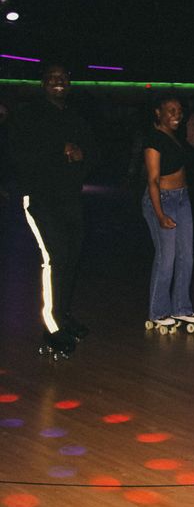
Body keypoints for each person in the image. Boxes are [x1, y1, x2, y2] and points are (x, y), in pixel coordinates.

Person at [9, 63, 97, 358]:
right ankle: (51, 328)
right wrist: (58, 151)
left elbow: (93, 152)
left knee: (71, 257)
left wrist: (82, 154)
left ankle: (63, 314)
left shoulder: (74, 117)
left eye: (63, 77)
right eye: (52, 78)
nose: (58, 82)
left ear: (68, 83)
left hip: (70, 197)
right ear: (43, 83)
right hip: (40, 199)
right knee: (54, 258)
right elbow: (16, 154)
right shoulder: (28, 116)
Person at [142, 92, 194, 332]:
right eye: (171, 111)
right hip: (162, 201)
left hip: (182, 199)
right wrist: (159, 214)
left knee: (186, 256)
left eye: (179, 111)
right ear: (158, 113)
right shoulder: (153, 139)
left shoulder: (174, 136)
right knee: (166, 258)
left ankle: (181, 308)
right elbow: (153, 180)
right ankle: (158, 311)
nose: (177, 116)